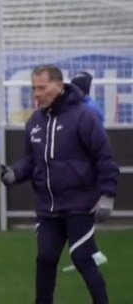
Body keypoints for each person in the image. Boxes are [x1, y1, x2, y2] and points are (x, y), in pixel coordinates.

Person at [0, 65, 118, 304]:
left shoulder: (84, 118)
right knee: (45, 260)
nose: (36, 94)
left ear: (59, 86)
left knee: (82, 258)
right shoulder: (35, 122)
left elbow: (105, 158)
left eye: (41, 88)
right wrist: (14, 173)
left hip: (80, 204)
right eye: (34, 88)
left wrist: (108, 194)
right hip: (48, 207)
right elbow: (30, 160)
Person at [63, 71, 108, 272]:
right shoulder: (89, 107)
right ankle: (92, 253)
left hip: (86, 168)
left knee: (80, 210)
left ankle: (85, 255)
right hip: (84, 166)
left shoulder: (88, 110)